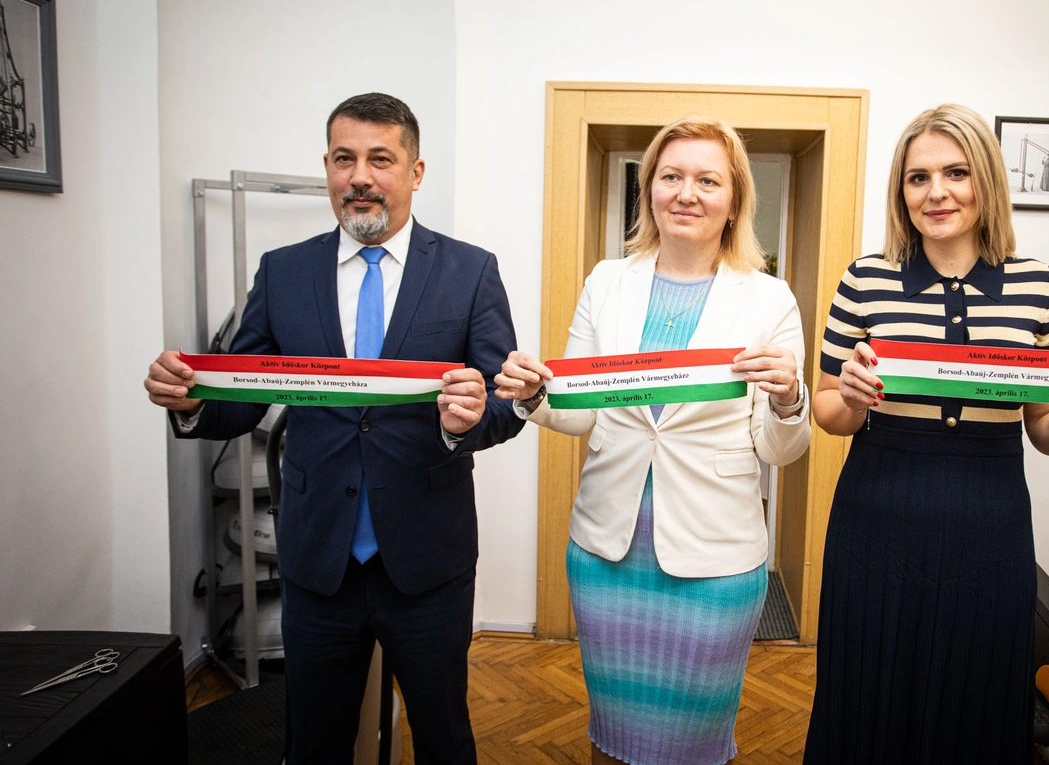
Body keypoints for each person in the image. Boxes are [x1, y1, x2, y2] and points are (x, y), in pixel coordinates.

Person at [144, 93, 523, 764]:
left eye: (381, 159)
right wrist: (190, 401)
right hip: (319, 559)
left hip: (427, 561)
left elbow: (503, 403)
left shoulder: (469, 272)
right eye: (344, 159)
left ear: (415, 171)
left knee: (443, 739)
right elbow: (243, 398)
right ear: (327, 167)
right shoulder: (284, 272)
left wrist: (469, 419)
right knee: (314, 743)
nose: (360, 177)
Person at [803, 104, 1049, 764]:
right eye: (918, 178)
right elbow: (827, 411)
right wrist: (853, 399)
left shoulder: (1041, 287)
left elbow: (1044, 429)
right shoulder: (865, 279)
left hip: (990, 522)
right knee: (868, 691)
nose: (936, 192)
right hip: (878, 516)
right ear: (901, 192)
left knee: (975, 699)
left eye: (956, 172)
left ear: (987, 182)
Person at [496, 116, 812, 765]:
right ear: (650, 191)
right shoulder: (606, 282)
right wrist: (534, 394)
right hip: (607, 553)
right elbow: (579, 410)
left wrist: (788, 398)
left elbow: (780, 449)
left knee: (699, 741)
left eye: (707, 181)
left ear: (735, 201)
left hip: (715, 561)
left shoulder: (770, 299)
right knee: (611, 735)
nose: (686, 193)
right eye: (671, 176)